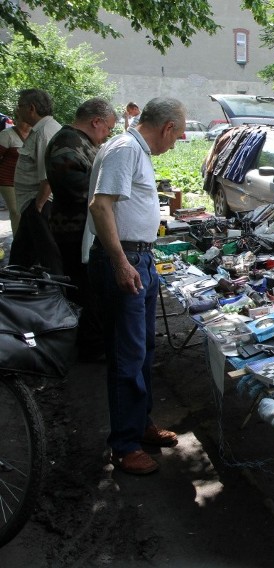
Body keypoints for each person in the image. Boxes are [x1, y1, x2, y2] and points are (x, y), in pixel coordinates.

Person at [86, 97, 186, 475]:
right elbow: (100, 206)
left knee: (143, 349)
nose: (176, 143)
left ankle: (140, 424)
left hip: (139, 258)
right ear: (166, 129)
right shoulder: (126, 148)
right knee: (127, 355)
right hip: (125, 259)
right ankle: (124, 445)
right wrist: (121, 262)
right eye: (177, 136)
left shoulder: (136, 150)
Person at [46, 98, 117, 361]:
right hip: (73, 231)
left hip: (81, 229)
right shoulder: (66, 144)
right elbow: (78, 189)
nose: (107, 134)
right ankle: (91, 347)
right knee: (86, 292)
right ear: (95, 121)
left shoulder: (77, 141)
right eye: (107, 128)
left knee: (90, 290)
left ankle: (93, 342)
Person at [9, 89, 62, 270]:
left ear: (31, 108)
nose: (18, 110)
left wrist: (38, 205)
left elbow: (48, 175)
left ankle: (57, 293)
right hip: (35, 202)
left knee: (47, 252)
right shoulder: (44, 128)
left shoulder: (44, 132)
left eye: (20, 106)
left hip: (39, 202)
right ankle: (14, 285)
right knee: (22, 252)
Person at [0, 108, 32, 227]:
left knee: (28, 212)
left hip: (27, 180)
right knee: (16, 212)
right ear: (16, 119)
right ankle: (17, 242)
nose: (26, 123)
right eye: (22, 120)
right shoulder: (6, 135)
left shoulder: (35, 135)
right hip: (8, 180)